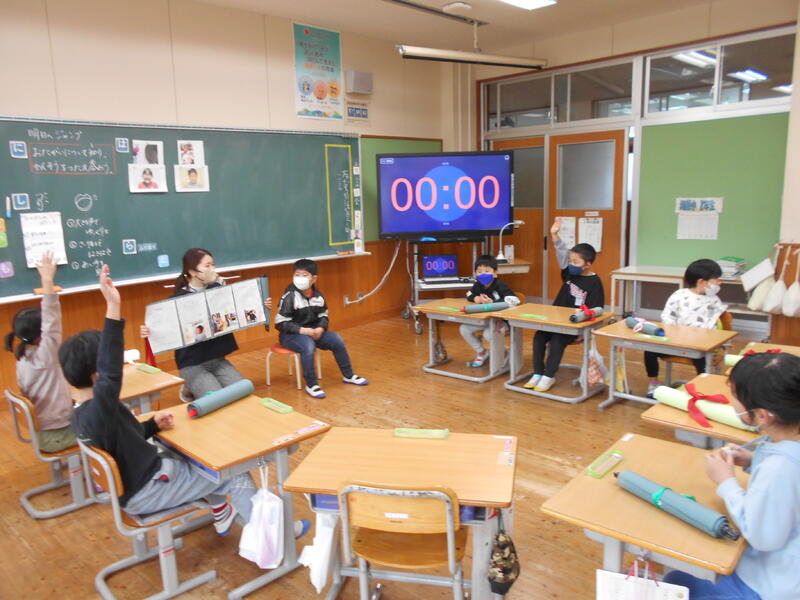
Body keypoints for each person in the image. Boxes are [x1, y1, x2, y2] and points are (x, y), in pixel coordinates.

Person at [64, 265, 256, 533]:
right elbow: (110, 372)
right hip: (150, 488)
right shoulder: (100, 409)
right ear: (98, 375)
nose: (117, 368)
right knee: (235, 473)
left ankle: (222, 514)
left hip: (138, 484)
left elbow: (123, 441)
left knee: (199, 457)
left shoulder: (80, 413)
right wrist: (113, 306)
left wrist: (152, 425)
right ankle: (271, 546)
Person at [663, 351, 800, 600]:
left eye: (736, 397)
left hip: (768, 585)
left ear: (762, 415)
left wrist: (726, 483)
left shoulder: (779, 469)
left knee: (675, 582)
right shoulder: (786, 446)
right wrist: (753, 460)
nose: (731, 402)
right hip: (784, 573)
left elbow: (763, 537)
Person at [141, 248, 271, 402]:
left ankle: (192, 387)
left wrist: (261, 306)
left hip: (217, 360)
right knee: (216, 399)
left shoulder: (217, 288)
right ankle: (190, 386)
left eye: (213, 265)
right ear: (192, 272)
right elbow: (165, 328)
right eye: (207, 266)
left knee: (242, 392)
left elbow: (236, 309)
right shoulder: (179, 299)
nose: (212, 269)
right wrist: (148, 331)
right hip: (192, 364)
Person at [5, 251, 75, 452]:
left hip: (43, 433)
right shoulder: (45, 355)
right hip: (59, 435)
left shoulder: (22, 358)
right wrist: (47, 280)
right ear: (40, 334)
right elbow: (52, 316)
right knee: (108, 424)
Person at [525, 218, 604, 392]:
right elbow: (561, 254)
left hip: (574, 327)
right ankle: (538, 373)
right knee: (539, 336)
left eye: (576, 262)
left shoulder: (595, 282)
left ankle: (548, 376)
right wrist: (554, 235)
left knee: (557, 340)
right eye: (571, 261)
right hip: (555, 322)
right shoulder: (569, 274)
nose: (571, 264)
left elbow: (598, 310)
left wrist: (584, 328)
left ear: (588, 264)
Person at [275, 258, 367, 399]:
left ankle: (348, 375)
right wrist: (302, 330)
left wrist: (320, 328)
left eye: (304, 275)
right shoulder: (289, 297)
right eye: (297, 275)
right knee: (308, 345)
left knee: (336, 340)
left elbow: (324, 316)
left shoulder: (318, 296)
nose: (299, 278)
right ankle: (312, 384)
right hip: (290, 335)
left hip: (313, 332)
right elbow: (280, 323)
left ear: (313, 279)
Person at [644, 258, 726, 396]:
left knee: (703, 360)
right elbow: (667, 317)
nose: (719, 283)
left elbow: (713, 326)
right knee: (649, 350)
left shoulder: (714, 301)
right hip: (675, 343)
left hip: (698, 346)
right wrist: (675, 334)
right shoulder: (679, 295)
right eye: (716, 279)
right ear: (702, 282)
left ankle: (702, 390)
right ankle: (653, 384)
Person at [460, 254, 520, 367]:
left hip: (502, 321)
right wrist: (476, 298)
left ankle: (503, 354)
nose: (483, 274)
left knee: (488, 334)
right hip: (486, 320)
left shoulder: (500, 285)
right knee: (464, 329)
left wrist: (494, 303)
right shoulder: (477, 285)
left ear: (495, 272)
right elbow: (468, 294)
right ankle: (482, 352)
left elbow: (514, 300)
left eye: (487, 271)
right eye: (479, 271)